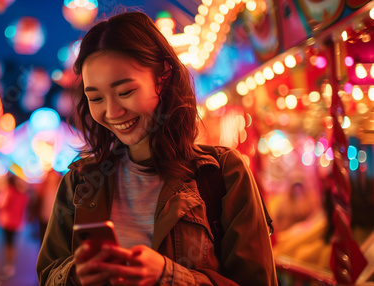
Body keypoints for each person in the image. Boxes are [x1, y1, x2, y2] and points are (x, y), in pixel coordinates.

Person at [36, 11, 278, 285]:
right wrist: (75, 275)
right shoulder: (79, 182)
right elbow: (47, 274)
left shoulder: (222, 174)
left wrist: (169, 275)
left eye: (125, 92)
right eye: (96, 98)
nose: (112, 112)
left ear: (162, 77)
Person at [0, 174, 28, 277]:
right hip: (16, 222)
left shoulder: (8, 191)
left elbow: (1, 204)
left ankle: (8, 264)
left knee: (7, 243)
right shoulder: (21, 193)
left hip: (7, 222)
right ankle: (11, 264)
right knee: (12, 243)